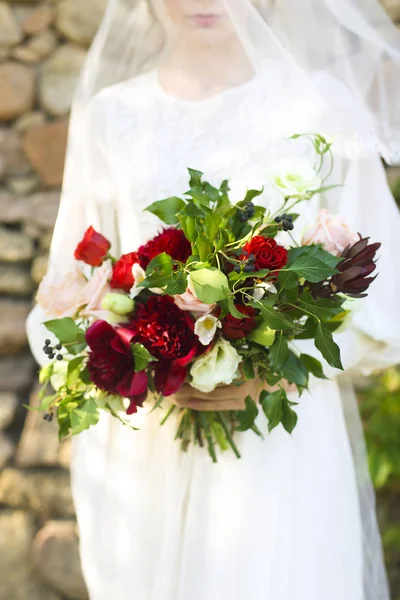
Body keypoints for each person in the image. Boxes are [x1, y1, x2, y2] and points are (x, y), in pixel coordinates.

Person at [26, 1, 400, 599]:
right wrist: (139, 354)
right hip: (149, 448)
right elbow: (70, 288)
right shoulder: (111, 117)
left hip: (284, 447)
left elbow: (387, 294)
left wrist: (277, 363)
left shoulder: (319, 105)